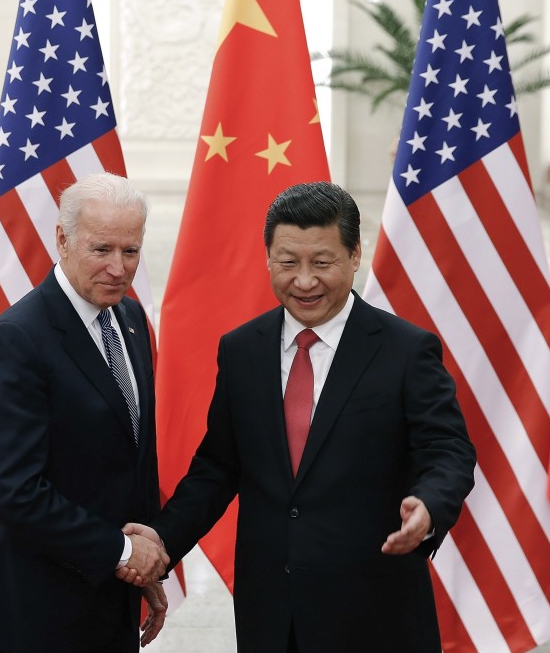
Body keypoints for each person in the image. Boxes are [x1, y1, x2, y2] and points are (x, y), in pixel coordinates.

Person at [124, 181, 476, 653]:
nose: (305, 280)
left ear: (354, 256)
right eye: (288, 262)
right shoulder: (242, 349)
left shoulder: (406, 350)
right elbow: (218, 469)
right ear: (268, 258)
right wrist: (159, 545)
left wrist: (429, 504)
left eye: (322, 262)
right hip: (272, 615)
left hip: (374, 613)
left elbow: (448, 451)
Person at [0, 173, 169, 652]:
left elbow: (133, 455)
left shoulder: (131, 319)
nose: (119, 269)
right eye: (102, 250)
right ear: (62, 240)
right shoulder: (19, 338)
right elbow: (13, 491)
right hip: (42, 612)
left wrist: (143, 566)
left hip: (113, 599)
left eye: (131, 251)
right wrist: (123, 552)